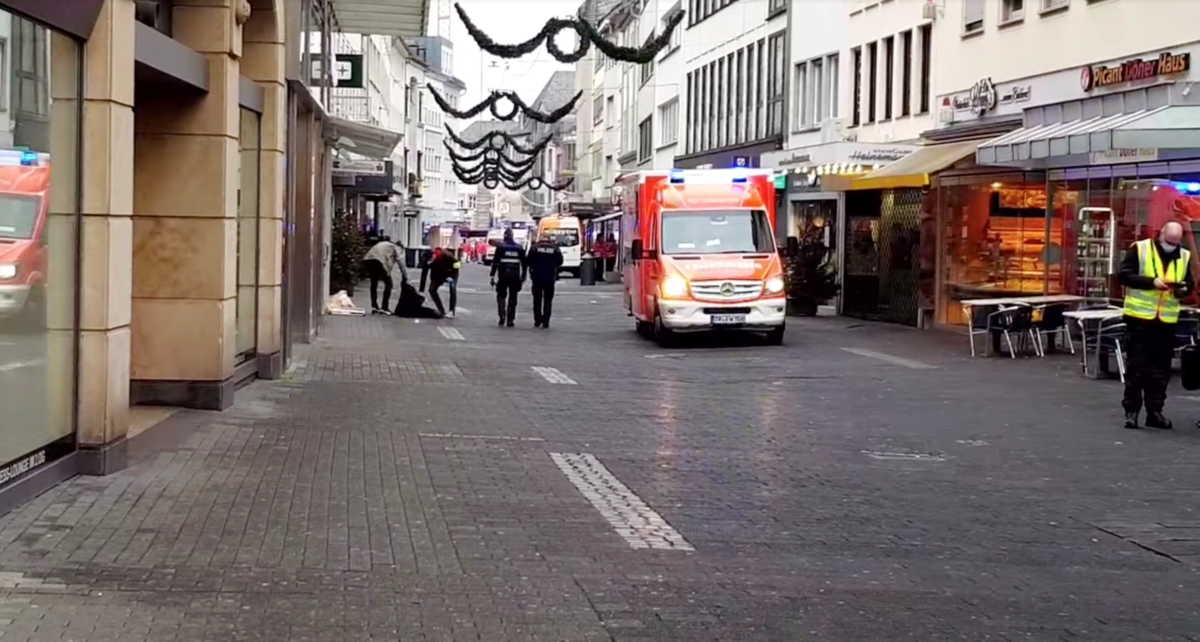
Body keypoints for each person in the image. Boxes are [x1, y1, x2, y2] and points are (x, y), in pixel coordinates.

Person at [1120, 220, 1193, 430]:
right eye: (1169, 242)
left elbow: (1189, 284)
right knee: (1136, 368)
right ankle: (1132, 412)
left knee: (1160, 371)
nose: (1172, 246)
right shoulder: (1140, 249)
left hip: (1166, 322)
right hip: (1139, 319)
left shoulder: (1184, 255)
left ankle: (1155, 412)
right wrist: (1151, 282)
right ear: (1161, 235)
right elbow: (1124, 275)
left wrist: (1182, 289)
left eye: (1176, 243)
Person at [490, 229, 527, 327]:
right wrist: (523, 276)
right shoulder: (519, 248)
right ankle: (510, 319)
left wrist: (492, 276)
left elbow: (495, 262)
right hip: (515, 276)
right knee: (513, 297)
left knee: (501, 296)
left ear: (504, 236)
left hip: (503, 276)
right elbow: (524, 264)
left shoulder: (501, 247)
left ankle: (502, 316)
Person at [361, 236, 407, 314]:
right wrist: (405, 275)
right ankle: (384, 307)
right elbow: (400, 263)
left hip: (368, 260)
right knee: (389, 284)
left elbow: (387, 262)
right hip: (378, 261)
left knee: (374, 283)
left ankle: (374, 306)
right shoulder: (396, 248)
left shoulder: (385, 244)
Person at [527, 234, 564, 328]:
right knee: (548, 300)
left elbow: (529, 261)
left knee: (537, 299)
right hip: (550, 277)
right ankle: (546, 321)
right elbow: (560, 261)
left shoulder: (534, 247)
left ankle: (537, 320)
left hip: (537, 277)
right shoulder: (555, 248)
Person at [424, 247, 459, 318]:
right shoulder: (429, 261)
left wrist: (452, 276)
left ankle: (452, 311)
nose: (431, 261)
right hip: (439, 275)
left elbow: (457, 264)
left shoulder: (446, 255)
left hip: (451, 273)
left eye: (432, 259)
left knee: (452, 288)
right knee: (432, 290)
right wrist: (421, 290)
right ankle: (441, 310)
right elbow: (424, 274)